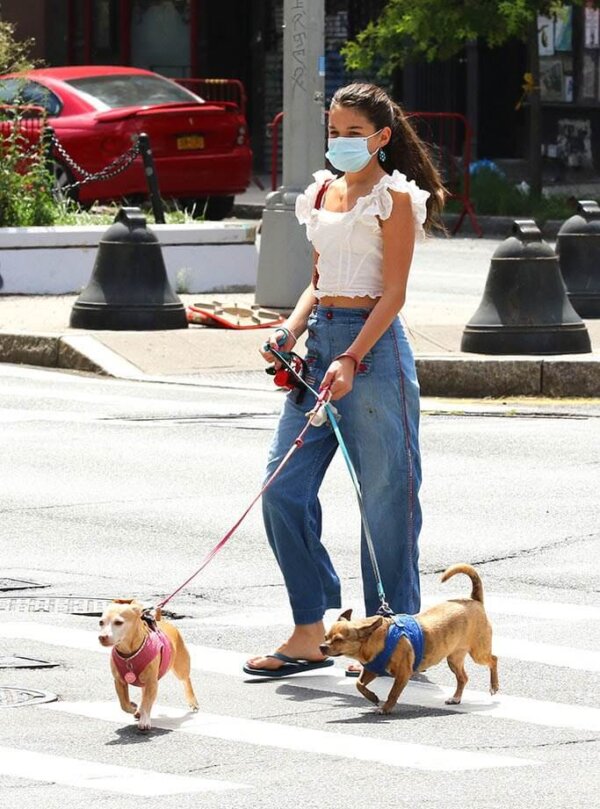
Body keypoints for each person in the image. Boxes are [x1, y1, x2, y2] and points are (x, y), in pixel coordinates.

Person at [244, 82, 445, 677]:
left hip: (374, 352)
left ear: (382, 138)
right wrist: (291, 330)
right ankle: (312, 626)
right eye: (335, 131)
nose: (342, 141)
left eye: (355, 133)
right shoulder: (322, 192)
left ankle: (396, 638)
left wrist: (353, 357)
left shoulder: (396, 199)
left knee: (386, 500)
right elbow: (318, 280)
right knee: (282, 489)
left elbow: (394, 293)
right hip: (319, 348)